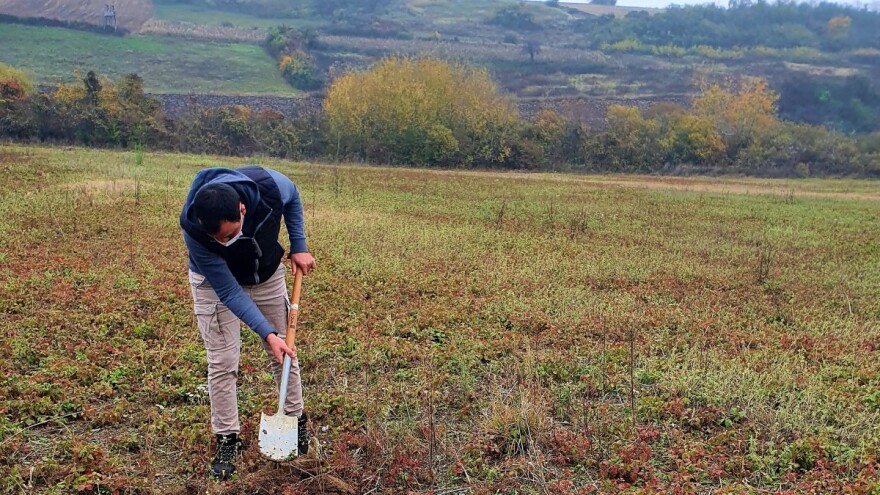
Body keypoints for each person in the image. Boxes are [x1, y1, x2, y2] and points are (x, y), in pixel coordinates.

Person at [179, 165, 316, 480]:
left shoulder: (269, 186)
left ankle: (296, 425)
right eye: (217, 239)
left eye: (228, 235)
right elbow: (228, 291)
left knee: (285, 353)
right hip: (215, 284)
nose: (224, 244)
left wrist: (299, 245)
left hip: (264, 273)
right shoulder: (194, 228)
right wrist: (267, 334)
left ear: (241, 209)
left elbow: (293, 197)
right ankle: (227, 439)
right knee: (223, 360)